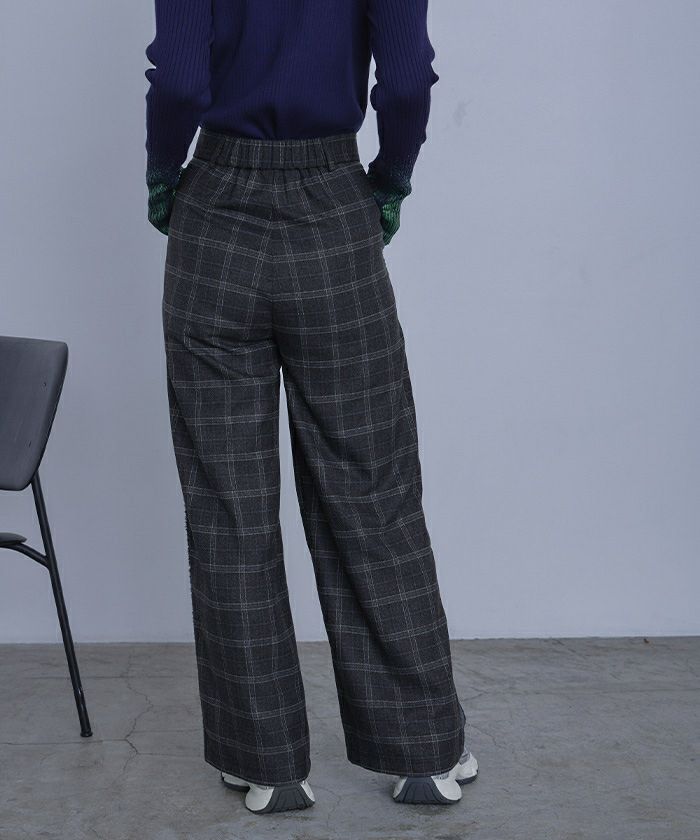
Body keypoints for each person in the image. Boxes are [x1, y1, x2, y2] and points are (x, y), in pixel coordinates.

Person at [145, 0, 477, 815]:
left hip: (214, 220)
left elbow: (180, 80)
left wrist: (162, 172)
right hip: (335, 210)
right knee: (372, 486)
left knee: (228, 501)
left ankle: (267, 765)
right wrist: (389, 179)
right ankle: (423, 754)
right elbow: (406, 81)